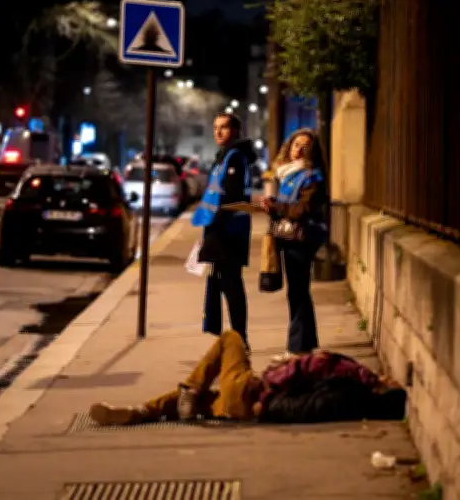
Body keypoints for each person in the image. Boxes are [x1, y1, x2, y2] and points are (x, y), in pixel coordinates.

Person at [89, 330, 406, 426]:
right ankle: (140, 412)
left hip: (248, 393)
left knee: (230, 339)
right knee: (201, 401)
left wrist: (370, 376)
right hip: (235, 410)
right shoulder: (347, 396)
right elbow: (310, 400)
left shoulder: (354, 377)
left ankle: (190, 386)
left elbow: (318, 365)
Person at [259, 129, 329, 362]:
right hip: (289, 237)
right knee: (298, 292)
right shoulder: (286, 174)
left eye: (305, 146)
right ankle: (307, 345)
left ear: (312, 151)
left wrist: (278, 207)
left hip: (302, 238)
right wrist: (271, 204)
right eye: (295, 144)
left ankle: (296, 348)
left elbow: (302, 209)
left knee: (298, 292)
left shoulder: (312, 177)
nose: (298, 149)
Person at [191, 113, 257, 348]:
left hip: (229, 232)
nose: (218, 132)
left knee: (231, 285)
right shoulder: (224, 157)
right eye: (215, 127)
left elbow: (230, 197)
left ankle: (240, 338)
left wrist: (215, 230)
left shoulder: (235, 158)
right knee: (220, 283)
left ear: (236, 131)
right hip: (218, 229)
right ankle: (226, 337)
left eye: (224, 128)